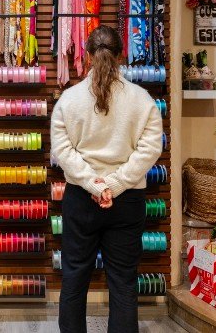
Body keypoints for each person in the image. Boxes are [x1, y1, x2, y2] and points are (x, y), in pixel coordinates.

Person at [51, 25, 163, 333]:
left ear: (86, 57)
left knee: (74, 276)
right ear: (122, 55)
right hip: (127, 201)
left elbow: (62, 151)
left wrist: (93, 183)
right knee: (124, 282)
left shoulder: (69, 100)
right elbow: (150, 150)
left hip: (81, 199)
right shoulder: (143, 100)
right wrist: (115, 184)